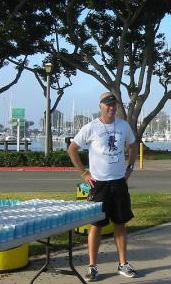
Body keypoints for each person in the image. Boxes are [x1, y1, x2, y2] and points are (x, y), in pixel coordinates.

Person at [68, 92, 138, 281]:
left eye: (114, 104)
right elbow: (72, 149)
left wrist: (130, 167)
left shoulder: (123, 126)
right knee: (96, 226)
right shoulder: (91, 127)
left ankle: (123, 264)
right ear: (100, 106)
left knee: (120, 223)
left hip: (119, 182)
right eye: (107, 104)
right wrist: (84, 173)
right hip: (99, 184)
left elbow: (133, 145)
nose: (111, 107)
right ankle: (92, 266)